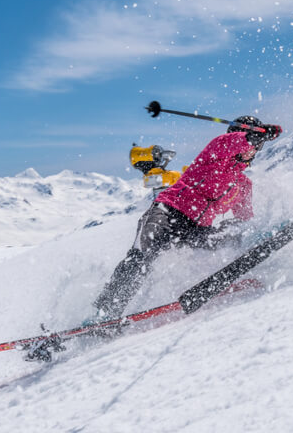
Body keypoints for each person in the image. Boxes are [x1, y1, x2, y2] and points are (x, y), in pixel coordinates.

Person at [91, 115, 282, 320]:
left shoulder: (243, 186)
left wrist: (253, 237)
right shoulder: (217, 150)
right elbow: (234, 141)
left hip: (197, 229)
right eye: (249, 141)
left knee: (233, 231)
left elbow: (245, 220)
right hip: (167, 212)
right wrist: (256, 135)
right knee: (143, 255)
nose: (250, 148)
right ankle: (106, 311)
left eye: (256, 146)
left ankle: (224, 276)